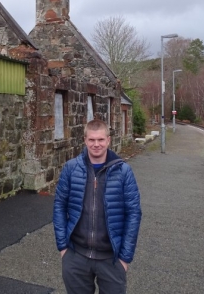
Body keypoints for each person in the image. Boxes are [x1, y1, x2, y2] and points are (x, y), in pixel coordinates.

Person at [53, 119, 142, 294]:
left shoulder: (123, 171)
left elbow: (134, 213)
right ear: (85, 140)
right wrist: (63, 247)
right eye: (92, 140)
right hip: (76, 255)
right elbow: (59, 206)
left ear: (108, 140)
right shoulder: (71, 169)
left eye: (100, 140)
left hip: (112, 259)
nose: (96, 144)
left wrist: (125, 257)